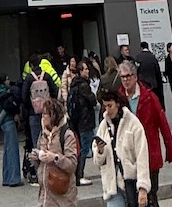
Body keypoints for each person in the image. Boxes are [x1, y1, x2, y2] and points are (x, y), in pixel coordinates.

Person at [118, 59, 172, 204]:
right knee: (133, 200)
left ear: (135, 77)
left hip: (150, 154)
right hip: (129, 158)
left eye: (128, 76)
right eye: (122, 77)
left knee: (150, 197)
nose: (125, 80)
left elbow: (163, 124)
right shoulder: (118, 98)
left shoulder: (149, 97)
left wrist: (170, 150)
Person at [93, 87, 150, 207]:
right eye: (105, 106)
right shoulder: (103, 126)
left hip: (131, 183)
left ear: (117, 104)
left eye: (110, 106)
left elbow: (142, 156)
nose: (107, 110)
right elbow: (97, 161)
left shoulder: (133, 123)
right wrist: (100, 151)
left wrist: (143, 187)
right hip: (112, 185)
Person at [32, 96, 78, 207]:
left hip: (63, 197)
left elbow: (72, 164)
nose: (42, 117)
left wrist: (55, 157)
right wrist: (36, 157)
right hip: (45, 197)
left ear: (53, 116)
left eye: (45, 114)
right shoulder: (43, 134)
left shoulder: (66, 135)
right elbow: (41, 164)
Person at [67, 59, 98, 187]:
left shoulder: (74, 84)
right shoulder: (84, 85)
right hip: (85, 121)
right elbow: (93, 100)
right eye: (85, 69)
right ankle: (79, 175)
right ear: (80, 71)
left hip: (77, 121)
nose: (87, 71)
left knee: (80, 148)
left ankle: (77, 174)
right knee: (84, 149)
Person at [0, 73, 24, 187]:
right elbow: (9, 105)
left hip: (3, 123)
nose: (8, 81)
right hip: (8, 121)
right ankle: (14, 179)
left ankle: (6, 177)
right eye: (7, 79)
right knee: (13, 150)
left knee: (7, 150)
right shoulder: (4, 93)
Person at [24, 60, 57, 153]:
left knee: (36, 140)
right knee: (48, 137)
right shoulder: (46, 76)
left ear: (30, 65)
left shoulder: (29, 78)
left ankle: (38, 162)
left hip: (33, 113)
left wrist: (30, 107)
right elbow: (55, 91)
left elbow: (24, 96)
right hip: (47, 112)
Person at [134, 42, 166, 112]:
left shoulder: (138, 57)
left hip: (143, 85)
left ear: (141, 48)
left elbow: (136, 71)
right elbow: (157, 71)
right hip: (153, 84)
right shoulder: (152, 57)